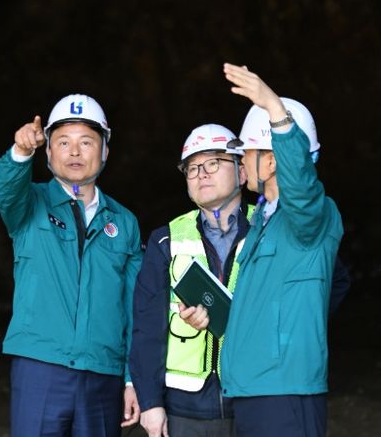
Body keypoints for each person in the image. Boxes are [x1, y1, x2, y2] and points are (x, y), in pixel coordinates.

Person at [131, 121, 350, 437]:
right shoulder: (166, 239)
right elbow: (146, 326)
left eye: (213, 163)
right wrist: (151, 403)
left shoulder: (276, 225)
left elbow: (329, 279)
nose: (201, 174)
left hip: (254, 397)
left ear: (242, 171)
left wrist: (285, 329)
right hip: (185, 407)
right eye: (192, 168)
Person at [182, 64, 343, 437]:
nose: (241, 162)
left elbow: (301, 187)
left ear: (272, 161)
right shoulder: (264, 221)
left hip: (284, 389)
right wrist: (213, 316)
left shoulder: (310, 216)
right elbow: (264, 309)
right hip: (253, 388)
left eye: (247, 153)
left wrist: (274, 110)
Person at [0, 94, 143, 436]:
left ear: (105, 151)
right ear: (48, 152)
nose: (75, 152)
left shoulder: (124, 222)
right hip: (40, 366)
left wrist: (132, 378)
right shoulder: (29, 204)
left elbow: (133, 306)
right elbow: (6, 189)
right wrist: (20, 152)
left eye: (86, 142)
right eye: (63, 142)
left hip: (103, 371)